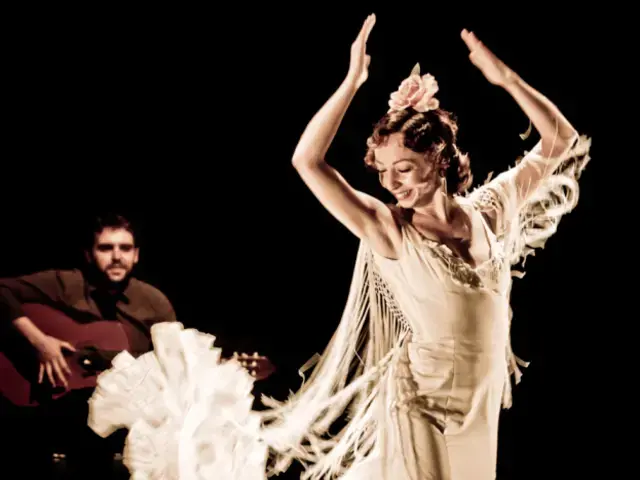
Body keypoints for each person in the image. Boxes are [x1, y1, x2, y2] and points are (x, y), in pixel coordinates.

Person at [257, 14, 592, 480]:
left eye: (405, 168)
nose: (391, 182)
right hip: (420, 401)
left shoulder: (488, 211)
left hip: (479, 403)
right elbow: (307, 161)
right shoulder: (389, 229)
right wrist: (353, 81)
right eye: (383, 171)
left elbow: (561, 140)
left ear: (439, 159)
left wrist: (506, 79)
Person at [0, 212, 177, 478]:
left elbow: (176, 361)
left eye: (125, 248)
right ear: (88, 254)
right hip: (51, 405)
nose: (117, 256)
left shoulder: (154, 303)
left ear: (136, 255)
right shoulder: (67, 283)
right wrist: (40, 342)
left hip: (122, 412)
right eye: (106, 248)